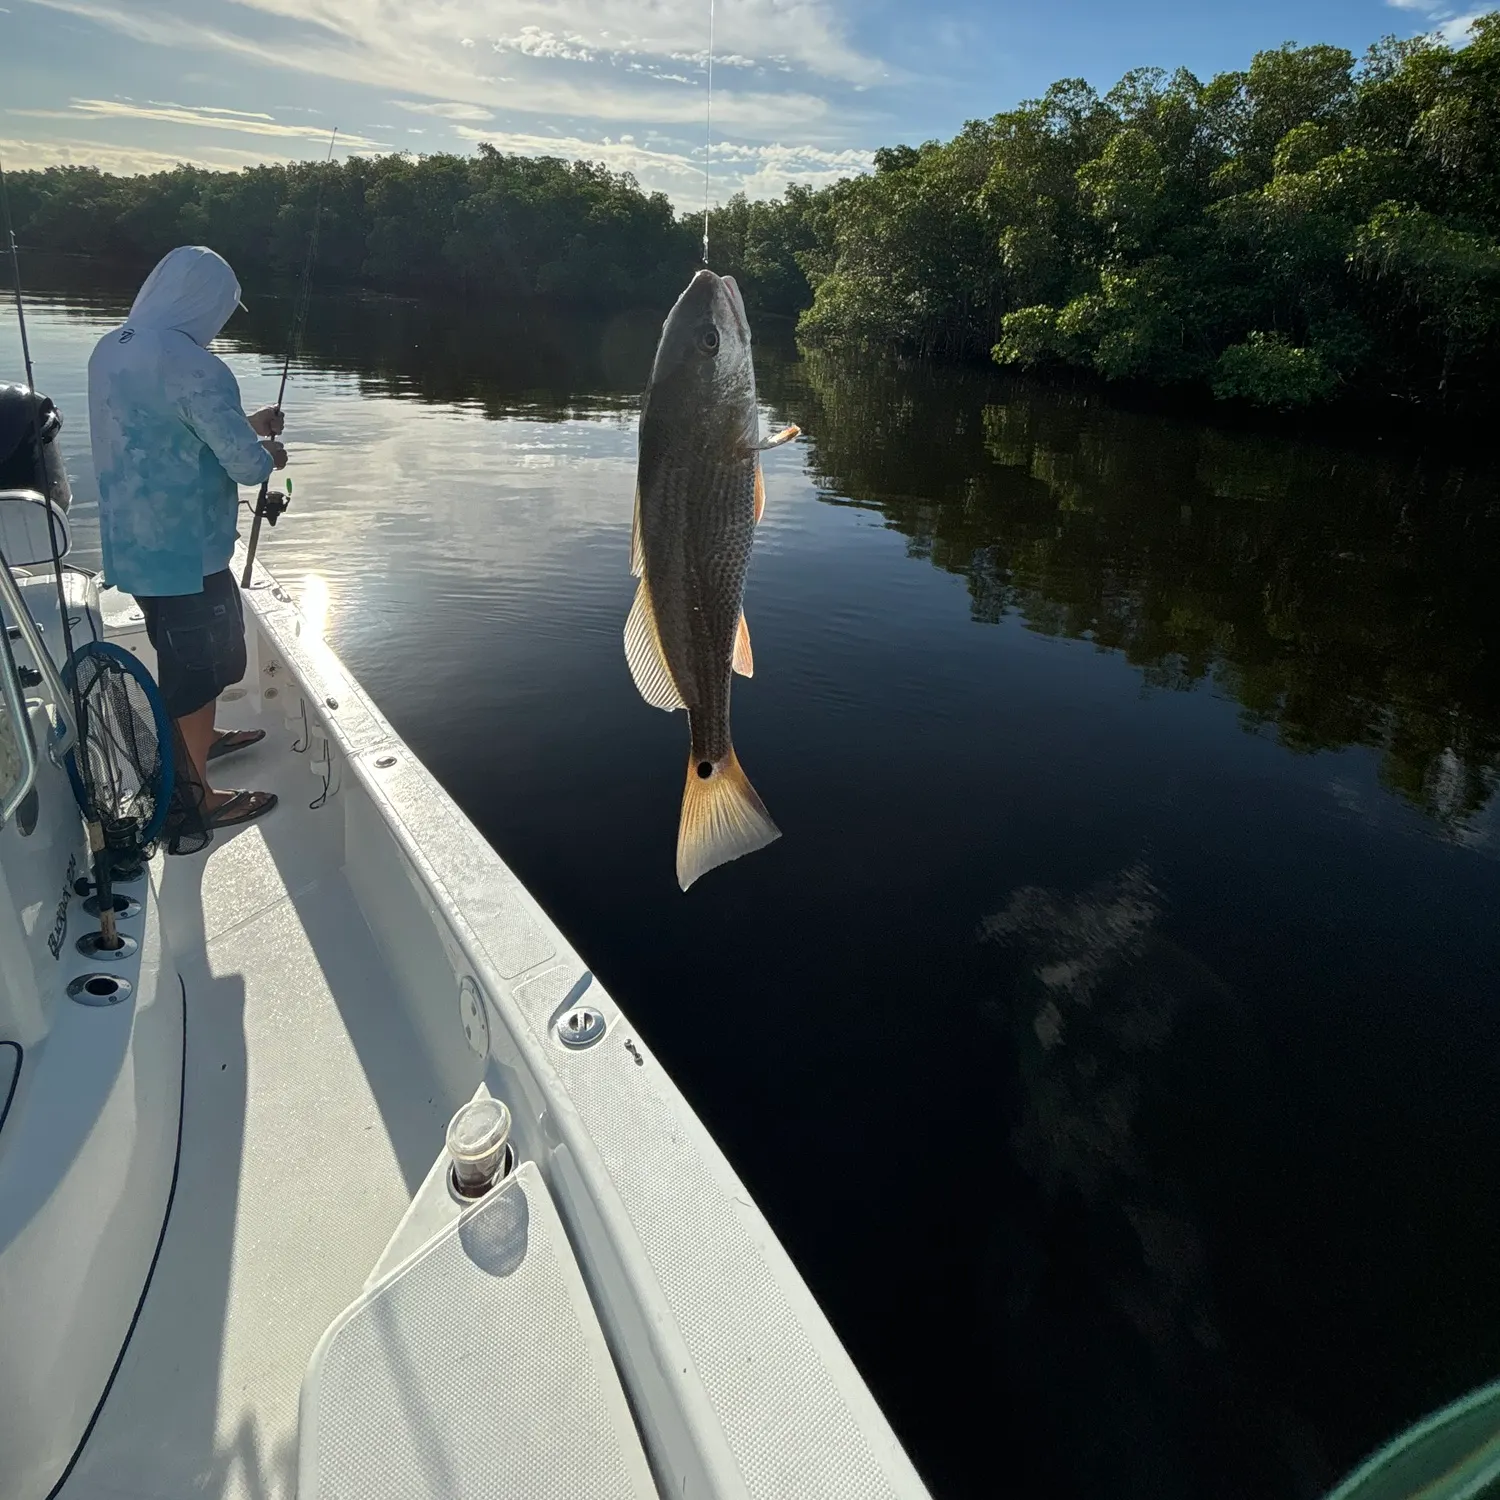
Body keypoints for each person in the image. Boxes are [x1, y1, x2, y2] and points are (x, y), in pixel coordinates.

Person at [88, 244, 285, 833]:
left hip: (137, 546)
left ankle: (204, 738)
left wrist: (244, 425)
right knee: (198, 671)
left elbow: (167, 431)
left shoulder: (112, 347)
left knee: (189, 658)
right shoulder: (197, 365)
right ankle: (194, 799)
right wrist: (266, 449)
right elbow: (247, 467)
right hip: (187, 553)